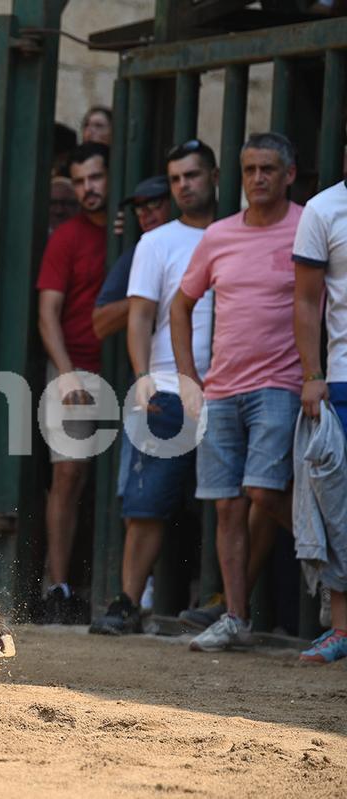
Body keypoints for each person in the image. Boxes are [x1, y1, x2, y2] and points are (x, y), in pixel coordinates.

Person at [171, 132, 304, 652]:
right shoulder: (220, 235)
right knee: (226, 506)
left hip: (282, 383)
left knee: (264, 492)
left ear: (289, 174)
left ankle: (331, 567)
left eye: (268, 169)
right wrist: (188, 377)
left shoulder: (306, 225)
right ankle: (235, 618)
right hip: (222, 388)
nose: (258, 179)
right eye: (249, 170)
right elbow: (180, 306)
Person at [90, 141, 219, 635]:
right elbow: (139, 315)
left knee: (229, 501)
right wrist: (143, 378)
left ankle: (224, 598)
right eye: (177, 177)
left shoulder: (232, 234)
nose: (185, 184)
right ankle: (128, 602)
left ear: (212, 175)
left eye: (193, 175)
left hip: (229, 384)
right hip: (166, 386)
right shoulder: (158, 241)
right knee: (144, 503)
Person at [35, 141, 110, 623]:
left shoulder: (135, 231)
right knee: (68, 476)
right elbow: (48, 313)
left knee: (122, 483)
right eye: (79, 181)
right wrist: (66, 374)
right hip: (74, 367)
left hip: (126, 370)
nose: (88, 189)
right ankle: (59, 586)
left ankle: (121, 591)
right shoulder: (66, 237)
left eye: (96, 178)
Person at [289, 172, 347, 664]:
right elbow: (307, 300)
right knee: (337, 505)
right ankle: (343, 627)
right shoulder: (324, 209)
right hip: (343, 378)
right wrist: (313, 372)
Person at [91, 175, 171, 340]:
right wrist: (147, 297)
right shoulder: (140, 251)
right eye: (139, 208)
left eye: (154, 203)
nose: (146, 214)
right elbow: (100, 323)